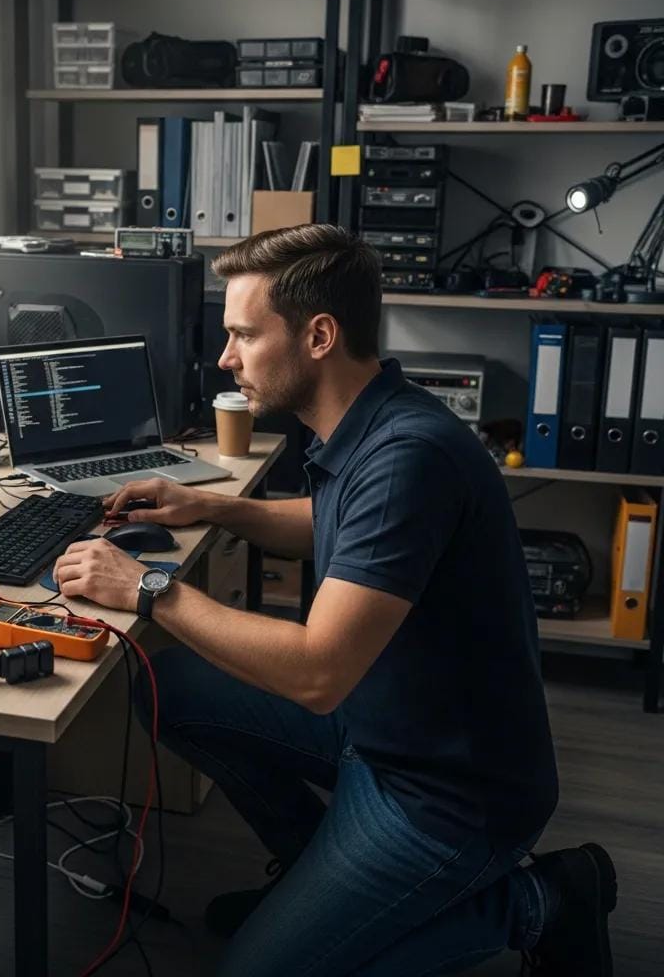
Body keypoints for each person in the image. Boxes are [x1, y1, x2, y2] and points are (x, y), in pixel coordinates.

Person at [53, 224, 616, 977]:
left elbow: (317, 671)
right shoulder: (372, 418)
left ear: (318, 335)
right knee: (170, 688)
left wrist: (148, 587)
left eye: (244, 335)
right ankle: (320, 877)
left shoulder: (406, 457)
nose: (225, 358)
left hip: (449, 793)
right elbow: (339, 527)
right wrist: (212, 507)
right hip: (381, 727)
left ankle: (544, 899)